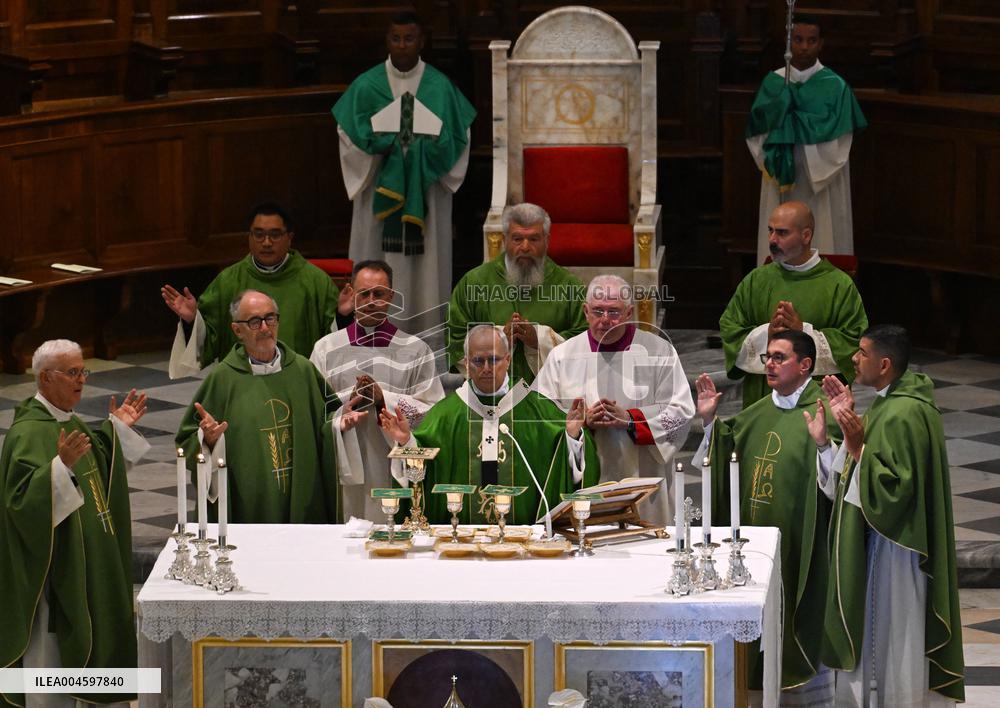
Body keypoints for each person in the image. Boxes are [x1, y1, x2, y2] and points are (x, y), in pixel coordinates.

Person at [811, 325, 964, 705]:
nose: (853, 359)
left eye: (862, 353)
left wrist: (858, 448)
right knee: (883, 636)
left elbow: (896, 492)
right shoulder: (889, 402)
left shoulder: (905, 412)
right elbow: (862, 469)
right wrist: (834, 441)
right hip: (885, 538)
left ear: (883, 364)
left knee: (896, 636)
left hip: (897, 548)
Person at [0, 340, 150, 707]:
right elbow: (20, 504)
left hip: (91, 560)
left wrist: (117, 430)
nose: (81, 379)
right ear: (45, 378)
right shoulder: (27, 432)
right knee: (51, 668)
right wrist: (59, 467)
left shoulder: (68, 419)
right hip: (55, 575)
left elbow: (97, 461)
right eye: (72, 372)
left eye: (83, 371)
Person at [695, 330, 840, 697]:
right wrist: (710, 422)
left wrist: (823, 444)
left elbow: (841, 483)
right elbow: (725, 449)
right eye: (767, 357)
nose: (770, 365)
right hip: (754, 537)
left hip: (801, 536)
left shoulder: (825, 412)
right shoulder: (757, 413)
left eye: (779, 357)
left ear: (805, 365)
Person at [332, 10, 476, 325]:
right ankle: (371, 332)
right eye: (395, 38)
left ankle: (425, 333)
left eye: (408, 38)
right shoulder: (367, 86)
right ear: (387, 40)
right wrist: (379, 146)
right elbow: (347, 133)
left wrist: (424, 152)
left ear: (421, 41)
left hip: (425, 192)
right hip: (378, 187)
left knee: (427, 272)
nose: (401, 45)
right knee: (374, 259)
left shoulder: (440, 87)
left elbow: (459, 135)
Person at [380, 324, 599, 525]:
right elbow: (422, 468)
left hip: (523, 540)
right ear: (466, 363)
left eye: (494, 359)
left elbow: (567, 462)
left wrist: (572, 436)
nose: (487, 368)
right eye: (478, 360)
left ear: (508, 360)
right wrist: (406, 442)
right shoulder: (445, 415)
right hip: (462, 539)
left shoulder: (536, 410)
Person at [533, 274, 695, 526]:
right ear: (586, 311)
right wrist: (580, 423)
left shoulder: (659, 352)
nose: (605, 319)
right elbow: (540, 416)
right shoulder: (562, 356)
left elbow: (681, 412)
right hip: (584, 479)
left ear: (629, 312)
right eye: (598, 311)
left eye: (614, 312)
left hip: (643, 481)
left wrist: (631, 419)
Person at [175, 290, 339, 523]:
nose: (264, 327)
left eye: (270, 318)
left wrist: (340, 422)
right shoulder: (223, 379)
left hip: (303, 495)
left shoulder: (302, 370)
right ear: (237, 330)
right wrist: (208, 440)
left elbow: (328, 418)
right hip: (248, 502)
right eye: (254, 321)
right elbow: (187, 440)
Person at [309, 259, 444, 520]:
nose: (371, 301)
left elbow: (433, 412)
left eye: (379, 294)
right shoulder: (326, 348)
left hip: (391, 461)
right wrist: (343, 410)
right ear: (351, 294)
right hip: (343, 461)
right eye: (364, 294)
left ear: (391, 296)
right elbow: (313, 409)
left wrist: (385, 400)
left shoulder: (415, 349)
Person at [162, 201, 351, 378]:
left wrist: (342, 316)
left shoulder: (315, 281)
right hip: (242, 385)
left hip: (298, 383)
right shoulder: (228, 281)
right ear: (249, 237)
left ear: (289, 238)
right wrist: (192, 320)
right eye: (259, 234)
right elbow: (209, 338)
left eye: (275, 235)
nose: (266, 242)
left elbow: (333, 341)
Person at [719, 200, 868, 408]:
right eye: (770, 231)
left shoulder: (839, 285)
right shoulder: (756, 280)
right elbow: (730, 328)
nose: (772, 240)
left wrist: (802, 333)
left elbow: (853, 340)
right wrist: (767, 335)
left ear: (806, 236)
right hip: (763, 398)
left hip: (816, 400)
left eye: (782, 233)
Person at [746, 15, 867, 264]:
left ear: (820, 43)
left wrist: (800, 135)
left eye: (811, 41)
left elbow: (842, 140)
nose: (804, 47)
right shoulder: (774, 84)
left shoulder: (835, 87)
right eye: (798, 40)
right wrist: (779, 144)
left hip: (819, 182)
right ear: (788, 41)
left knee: (823, 233)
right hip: (782, 180)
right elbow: (757, 133)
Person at [448, 203, 588, 386]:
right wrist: (498, 340)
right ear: (504, 239)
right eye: (517, 239)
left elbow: (585, 340)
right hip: (490, 396)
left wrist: (539, 338)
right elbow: (456, 340)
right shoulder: (474, 283)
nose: (525, 247)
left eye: (534, 239)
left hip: (551, 395)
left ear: (547, 240)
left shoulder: (569, 286)